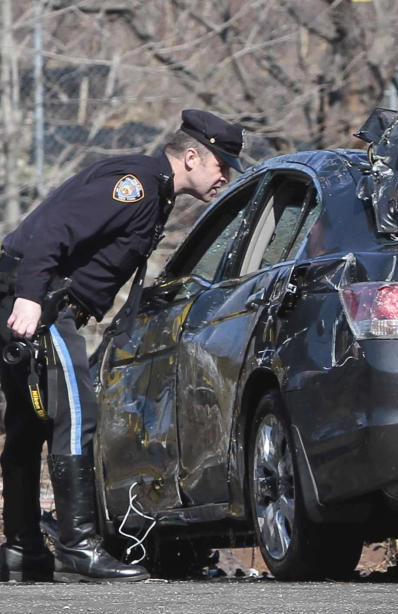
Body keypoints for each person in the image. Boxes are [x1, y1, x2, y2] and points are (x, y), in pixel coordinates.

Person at [0, 109, 244, 582]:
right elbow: (53, 231)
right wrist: (30, 299)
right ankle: (78, 548)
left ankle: (22, 551)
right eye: (222, 164)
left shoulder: (156, 190)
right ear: (192, 156)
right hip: (40, 305)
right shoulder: (136, 184)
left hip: (32, 298)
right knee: (76, 416)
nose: (226, 176)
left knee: (29, 425)